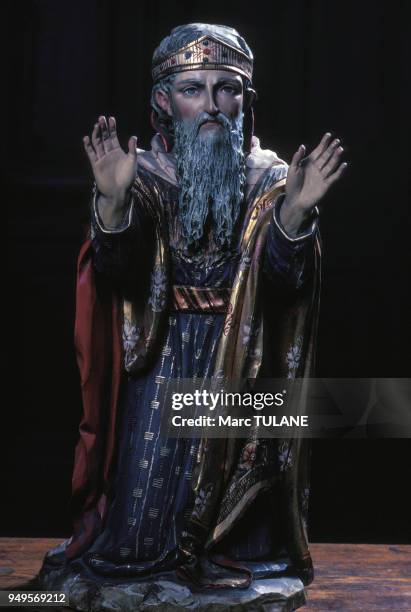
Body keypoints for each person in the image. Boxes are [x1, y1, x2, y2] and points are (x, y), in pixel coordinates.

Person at [40, 23, 346, 590]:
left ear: (245, 100)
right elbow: (117, 273)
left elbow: (283, 288)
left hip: (243, 359)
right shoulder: (146, 178)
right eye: (192, 89)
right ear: (163, 100)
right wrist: (112, 205)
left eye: (225, 88)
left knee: (238, 508)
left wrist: (295, 217)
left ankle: (226, 556)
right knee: (143, 519)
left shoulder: (273, 180)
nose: (210, 105)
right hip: (160, 362)